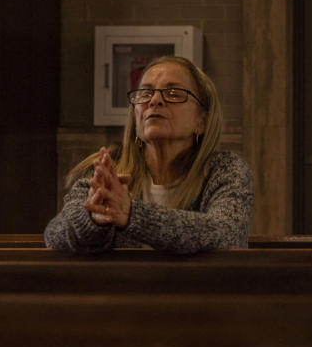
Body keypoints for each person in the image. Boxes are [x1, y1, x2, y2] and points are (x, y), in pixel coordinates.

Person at [45, 56, 253, 254]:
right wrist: (94, 220)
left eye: (173, 93)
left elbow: (227, 235)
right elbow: (54, 235)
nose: (155, 101)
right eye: (145, 93)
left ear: (202, 121)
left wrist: (132, 215)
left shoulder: (225, 169)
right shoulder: (108, 168)